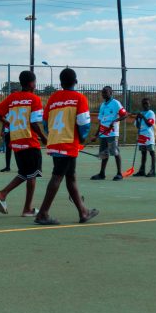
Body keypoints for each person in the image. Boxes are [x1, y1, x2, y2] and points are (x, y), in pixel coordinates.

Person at [34, 68, 99, 225]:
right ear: (75, 81)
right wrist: (82, 138)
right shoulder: (79, 98)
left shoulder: (53, 98)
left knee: (71, 177)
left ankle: (83, 212)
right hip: (68, 143)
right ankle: (42, 213)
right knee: (57, 176)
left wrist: (53, 134)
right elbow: (84, 123)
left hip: (56, 141)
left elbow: (45, 121)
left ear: (61, 83)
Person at [0, 71, 47, 217]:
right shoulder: (34, 99)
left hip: (16, 141)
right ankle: (26, 208)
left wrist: (7, 123)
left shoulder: (12, 97)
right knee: (32, 175)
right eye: (35, 82)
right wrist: (43, 137)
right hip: (29, 141)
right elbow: (34, 123)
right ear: (31, 84)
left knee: (25, 173)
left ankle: (3, 194)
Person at [91, 86, 128, 181]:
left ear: (111, 93)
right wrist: (96, 135)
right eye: (103, 92)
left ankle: (119, 174)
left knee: (115, 152)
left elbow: (125, 115)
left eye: (105, 92)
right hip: (103, 133)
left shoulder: (116, 103)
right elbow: (101, 121)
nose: (103, 94)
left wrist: (115, 121)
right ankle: (102, 174)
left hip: (112, 133)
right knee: (104, 154)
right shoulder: (103, 105)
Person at [134, 98, 156, 177]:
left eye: (147, 103)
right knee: (143, 153)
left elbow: (149, 124)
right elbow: (137, 126)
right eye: (144, 104)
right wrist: (137, 119)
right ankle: (142, 170)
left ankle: (153, 170)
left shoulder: (151, 113)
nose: (145, 105)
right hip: (141, 135)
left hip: (149, 135)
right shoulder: (141, 113)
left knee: (151, 152)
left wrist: (143, 116)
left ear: (149, 104)